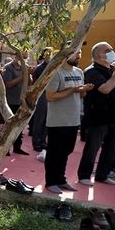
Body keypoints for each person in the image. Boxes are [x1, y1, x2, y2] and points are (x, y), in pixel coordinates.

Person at [44, 49, 93, 193]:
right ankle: (51, 182)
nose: (79, 55)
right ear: (65, 54)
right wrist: (72, 90)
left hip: (73, 120)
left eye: (80, 53)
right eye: (75, 53)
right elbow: (50, 96)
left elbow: (81, 95)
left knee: (66, 151)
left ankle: (61, 180)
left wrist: (85, 89)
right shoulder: (56, 72)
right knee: (54, 153)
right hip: (58, 121)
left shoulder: (79, 72)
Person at [77, 42, 115, 186]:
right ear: (97, 55)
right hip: (98, 117)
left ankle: (102, 175)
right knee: (92, 148)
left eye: (111, 50)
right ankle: (84, 175)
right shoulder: (92, 72)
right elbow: (105, 89)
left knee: (112, 148)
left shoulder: (112, 69)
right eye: (107, 50)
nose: (111, 52)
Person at [2, 55, 31, 155]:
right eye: (22, 57)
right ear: (16, 56)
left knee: (19, 126)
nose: (24, 59)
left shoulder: (24, 67)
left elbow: (29, 83)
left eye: (26, 57)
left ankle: (17, 147)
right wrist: (22, 77)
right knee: (9, 126)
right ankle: (5, 148)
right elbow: (8, 84)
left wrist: (28, 75)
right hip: (10, 101)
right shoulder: (8, 67)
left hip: (21, 101)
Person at [31, 48, 51, 151]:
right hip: (41, 95)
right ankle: (37, 142)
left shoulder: (53, 67)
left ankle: (43, 141)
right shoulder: (39, 68)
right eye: (48, 54)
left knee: (47, 120)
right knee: (39, 120)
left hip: (50, 94)